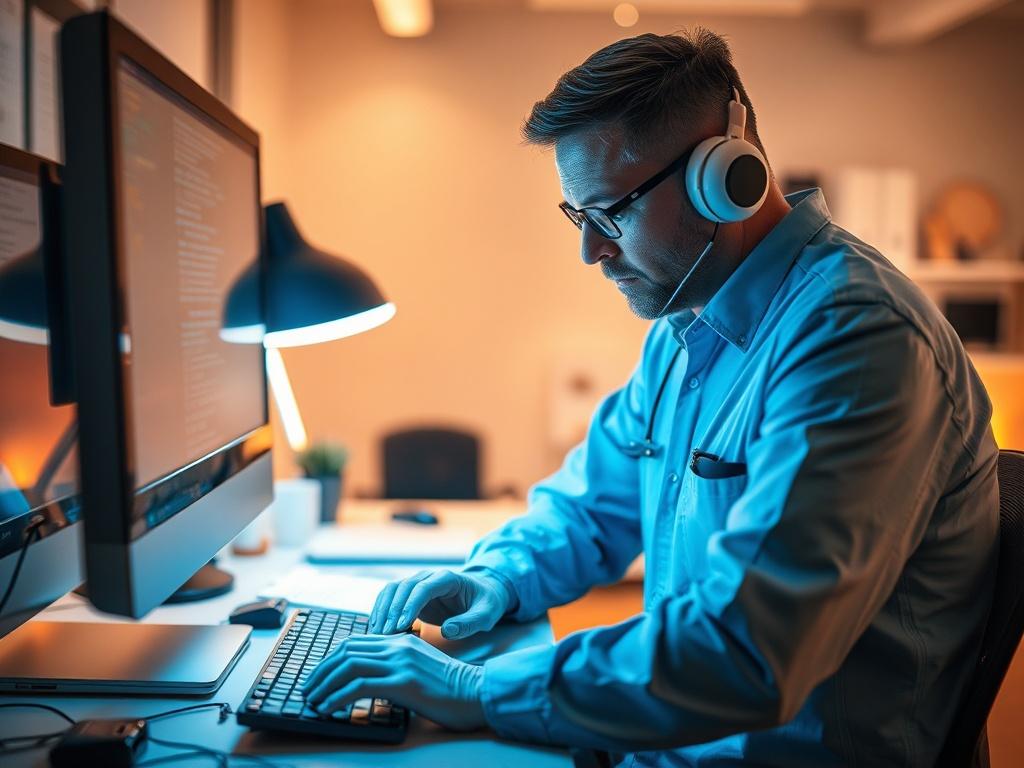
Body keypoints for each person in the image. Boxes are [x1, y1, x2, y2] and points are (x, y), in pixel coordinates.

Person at [303, 29, 999, 766]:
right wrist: (497, 576)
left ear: (724, 178)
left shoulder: (856, 341)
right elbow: (593, 504)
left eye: (611, 214)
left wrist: (478, 688)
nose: (591, 251)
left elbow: (749, 649)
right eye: (578, 217)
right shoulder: (687, 328)